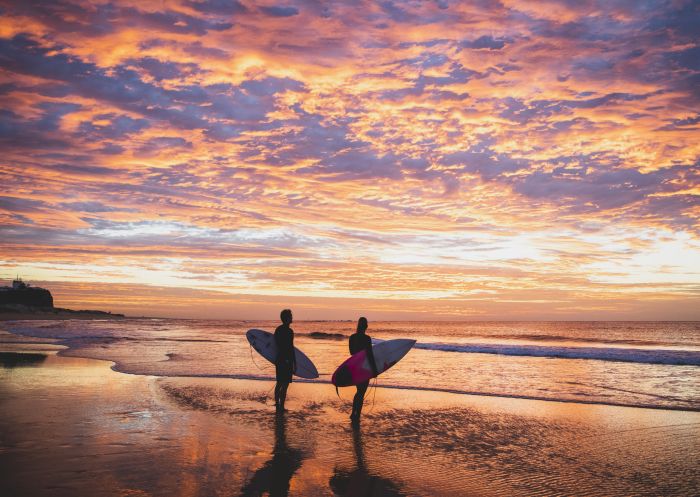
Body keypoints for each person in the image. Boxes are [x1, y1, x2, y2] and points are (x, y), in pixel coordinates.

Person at [348, 317, 378, 424]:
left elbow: (351, 352)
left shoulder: (352, 337)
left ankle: (353, 413)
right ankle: (357, 415)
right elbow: (370, 355)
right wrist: (374, 370)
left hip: (355, 367)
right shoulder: (367, 339)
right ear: (366, 326)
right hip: (365, 368)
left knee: (359, 391)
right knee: (361, 392)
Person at [274, 309, 296, 413]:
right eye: (291, 316)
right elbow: (290, 348)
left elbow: (276, 345)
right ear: (287, 318)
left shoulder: (278, 329)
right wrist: (293, 362)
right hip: (286, 359)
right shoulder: (289, 331)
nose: (292, 318)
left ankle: (277, 404)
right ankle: (281, 406)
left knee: (279, 383)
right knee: (285, 384)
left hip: (279, 359)